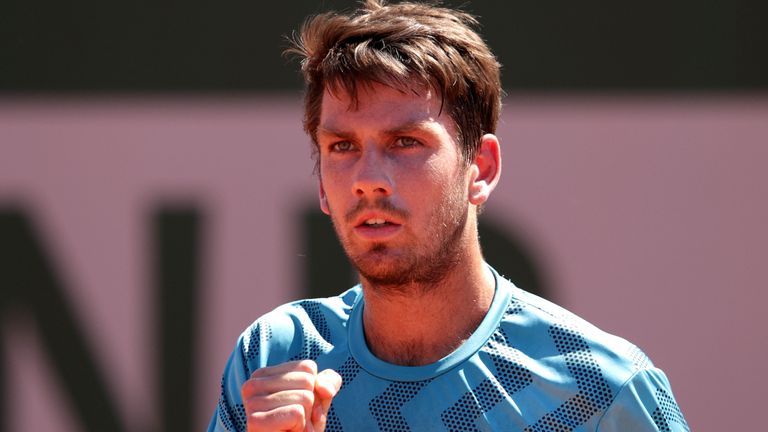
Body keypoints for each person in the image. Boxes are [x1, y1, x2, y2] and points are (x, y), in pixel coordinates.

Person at [209, 1, 689, 431]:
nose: (367, 177)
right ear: (320, 184)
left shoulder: (604, 392)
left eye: (405, 142)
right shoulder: (273, 355)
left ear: (480, 169)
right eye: (342, 146)